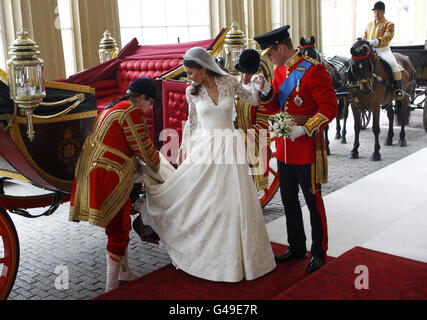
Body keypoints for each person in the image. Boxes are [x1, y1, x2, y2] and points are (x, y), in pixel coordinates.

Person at [138, 46, 276, 283]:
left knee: (234, 203)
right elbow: (192, 123)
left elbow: (252, 99)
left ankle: (241, 258)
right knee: (206, 202)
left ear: (203, 68)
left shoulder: (229, 82)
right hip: (206, 148)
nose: (188, 78)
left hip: (230, 147)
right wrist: (185, 149)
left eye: (190, 73)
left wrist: (260, 85)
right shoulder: (192, 92)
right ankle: (208, 252)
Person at [253, 25, 337, 273]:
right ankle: (297, 245)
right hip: (285, 149)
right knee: (289, 200)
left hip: (307, 148)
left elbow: (330, 108)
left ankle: (319, 251)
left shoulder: (314, 71)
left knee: (313, 201)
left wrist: (307, 128)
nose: (268, 58)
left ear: (281, 47)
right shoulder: (279, 72)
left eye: (269, 53)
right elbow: (275, 110)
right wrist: (267, 93)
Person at [69, 77, 161, 292]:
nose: (149, 109)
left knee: (118, 227)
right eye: (150, 103)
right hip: (111, 175)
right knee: (119, 229)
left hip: (94, 171)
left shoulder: (114, 107)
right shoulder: (132, 111)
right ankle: (111, 289)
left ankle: (124, 273)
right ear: (142, 98)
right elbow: (146, 151)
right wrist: (161, 168)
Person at [363, 1, 403, 99]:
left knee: (393, 65)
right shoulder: (369, 25)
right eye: (375, 12)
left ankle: (398, 89)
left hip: (383, 50)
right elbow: (365, 35)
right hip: (370, 50)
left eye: (379, 12)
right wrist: (363, 42)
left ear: (383, 12)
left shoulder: (389, 24)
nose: (376, 14)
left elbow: (388, 37)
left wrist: (376, 41)